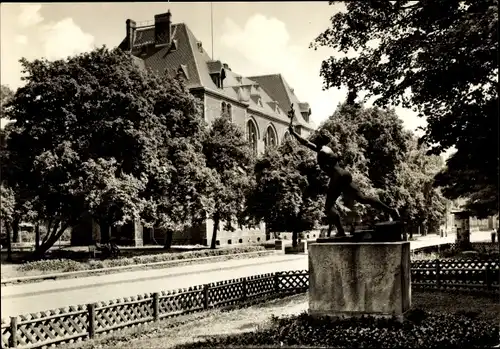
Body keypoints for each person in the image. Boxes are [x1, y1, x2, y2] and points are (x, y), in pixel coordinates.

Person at [287, 104, 399, 237]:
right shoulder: (328, 149)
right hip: (344, 174)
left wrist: (293, 133)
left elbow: (304, 142)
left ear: (319, 140)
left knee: (328, 207)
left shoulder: (321, 150)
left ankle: (340, 231)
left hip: (337, 176)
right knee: (362, 198)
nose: (314, 139)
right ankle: (391, 210)